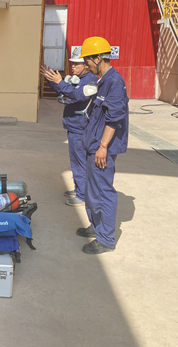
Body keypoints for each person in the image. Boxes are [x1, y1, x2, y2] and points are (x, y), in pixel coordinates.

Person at [41, 37, 129, 254]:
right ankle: (96, 227)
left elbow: (114, 118)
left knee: (102, 192)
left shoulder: (114, 82)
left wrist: (103, 147)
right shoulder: (102, 81)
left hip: (101, 149)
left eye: (87, 61)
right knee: (92, 191)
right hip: (93, 145)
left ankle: (106, 239)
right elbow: (79, 96)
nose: (86, 65)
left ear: (98, 58)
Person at [45, 48, 98, 207]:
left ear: (86, 65)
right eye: (72, 63)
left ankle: (82, 195)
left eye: (76, 64)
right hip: (75, 125)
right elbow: (64, 91)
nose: (72, 67)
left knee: (79, 162)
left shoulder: (89, 81)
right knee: (77, 160)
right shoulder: (79, 79)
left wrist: (60, 82)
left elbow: (76, 96)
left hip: (80, 127)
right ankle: (79, 189)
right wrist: (51, 80)